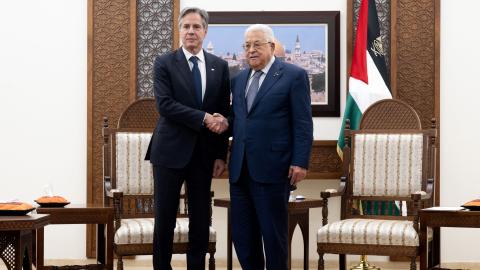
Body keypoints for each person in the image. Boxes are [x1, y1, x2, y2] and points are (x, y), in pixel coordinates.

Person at [144, 7, 230, 270]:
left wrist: (220, 154)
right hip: (169, 152)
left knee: (201, 217)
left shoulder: (220, 66)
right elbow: (165, 106)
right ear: (179, 31)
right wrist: (204, 118)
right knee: (165, 216)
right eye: (186, 27)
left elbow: (222, 112)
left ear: (205, 31)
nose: (191, 31)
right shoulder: (164, 63)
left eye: (196, 27)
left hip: (204, 154)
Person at [228, 24, 313, 270]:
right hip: (240, 170)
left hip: (274, 169)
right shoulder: (239, 78)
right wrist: (225, 122)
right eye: (247, 46)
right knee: (243, 238)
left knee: (273, 237)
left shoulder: (293, 75)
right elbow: (241, 119)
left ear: (272, 46)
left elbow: (302, 122)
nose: (251, 50)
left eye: (257, 44)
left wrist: (300, 161)